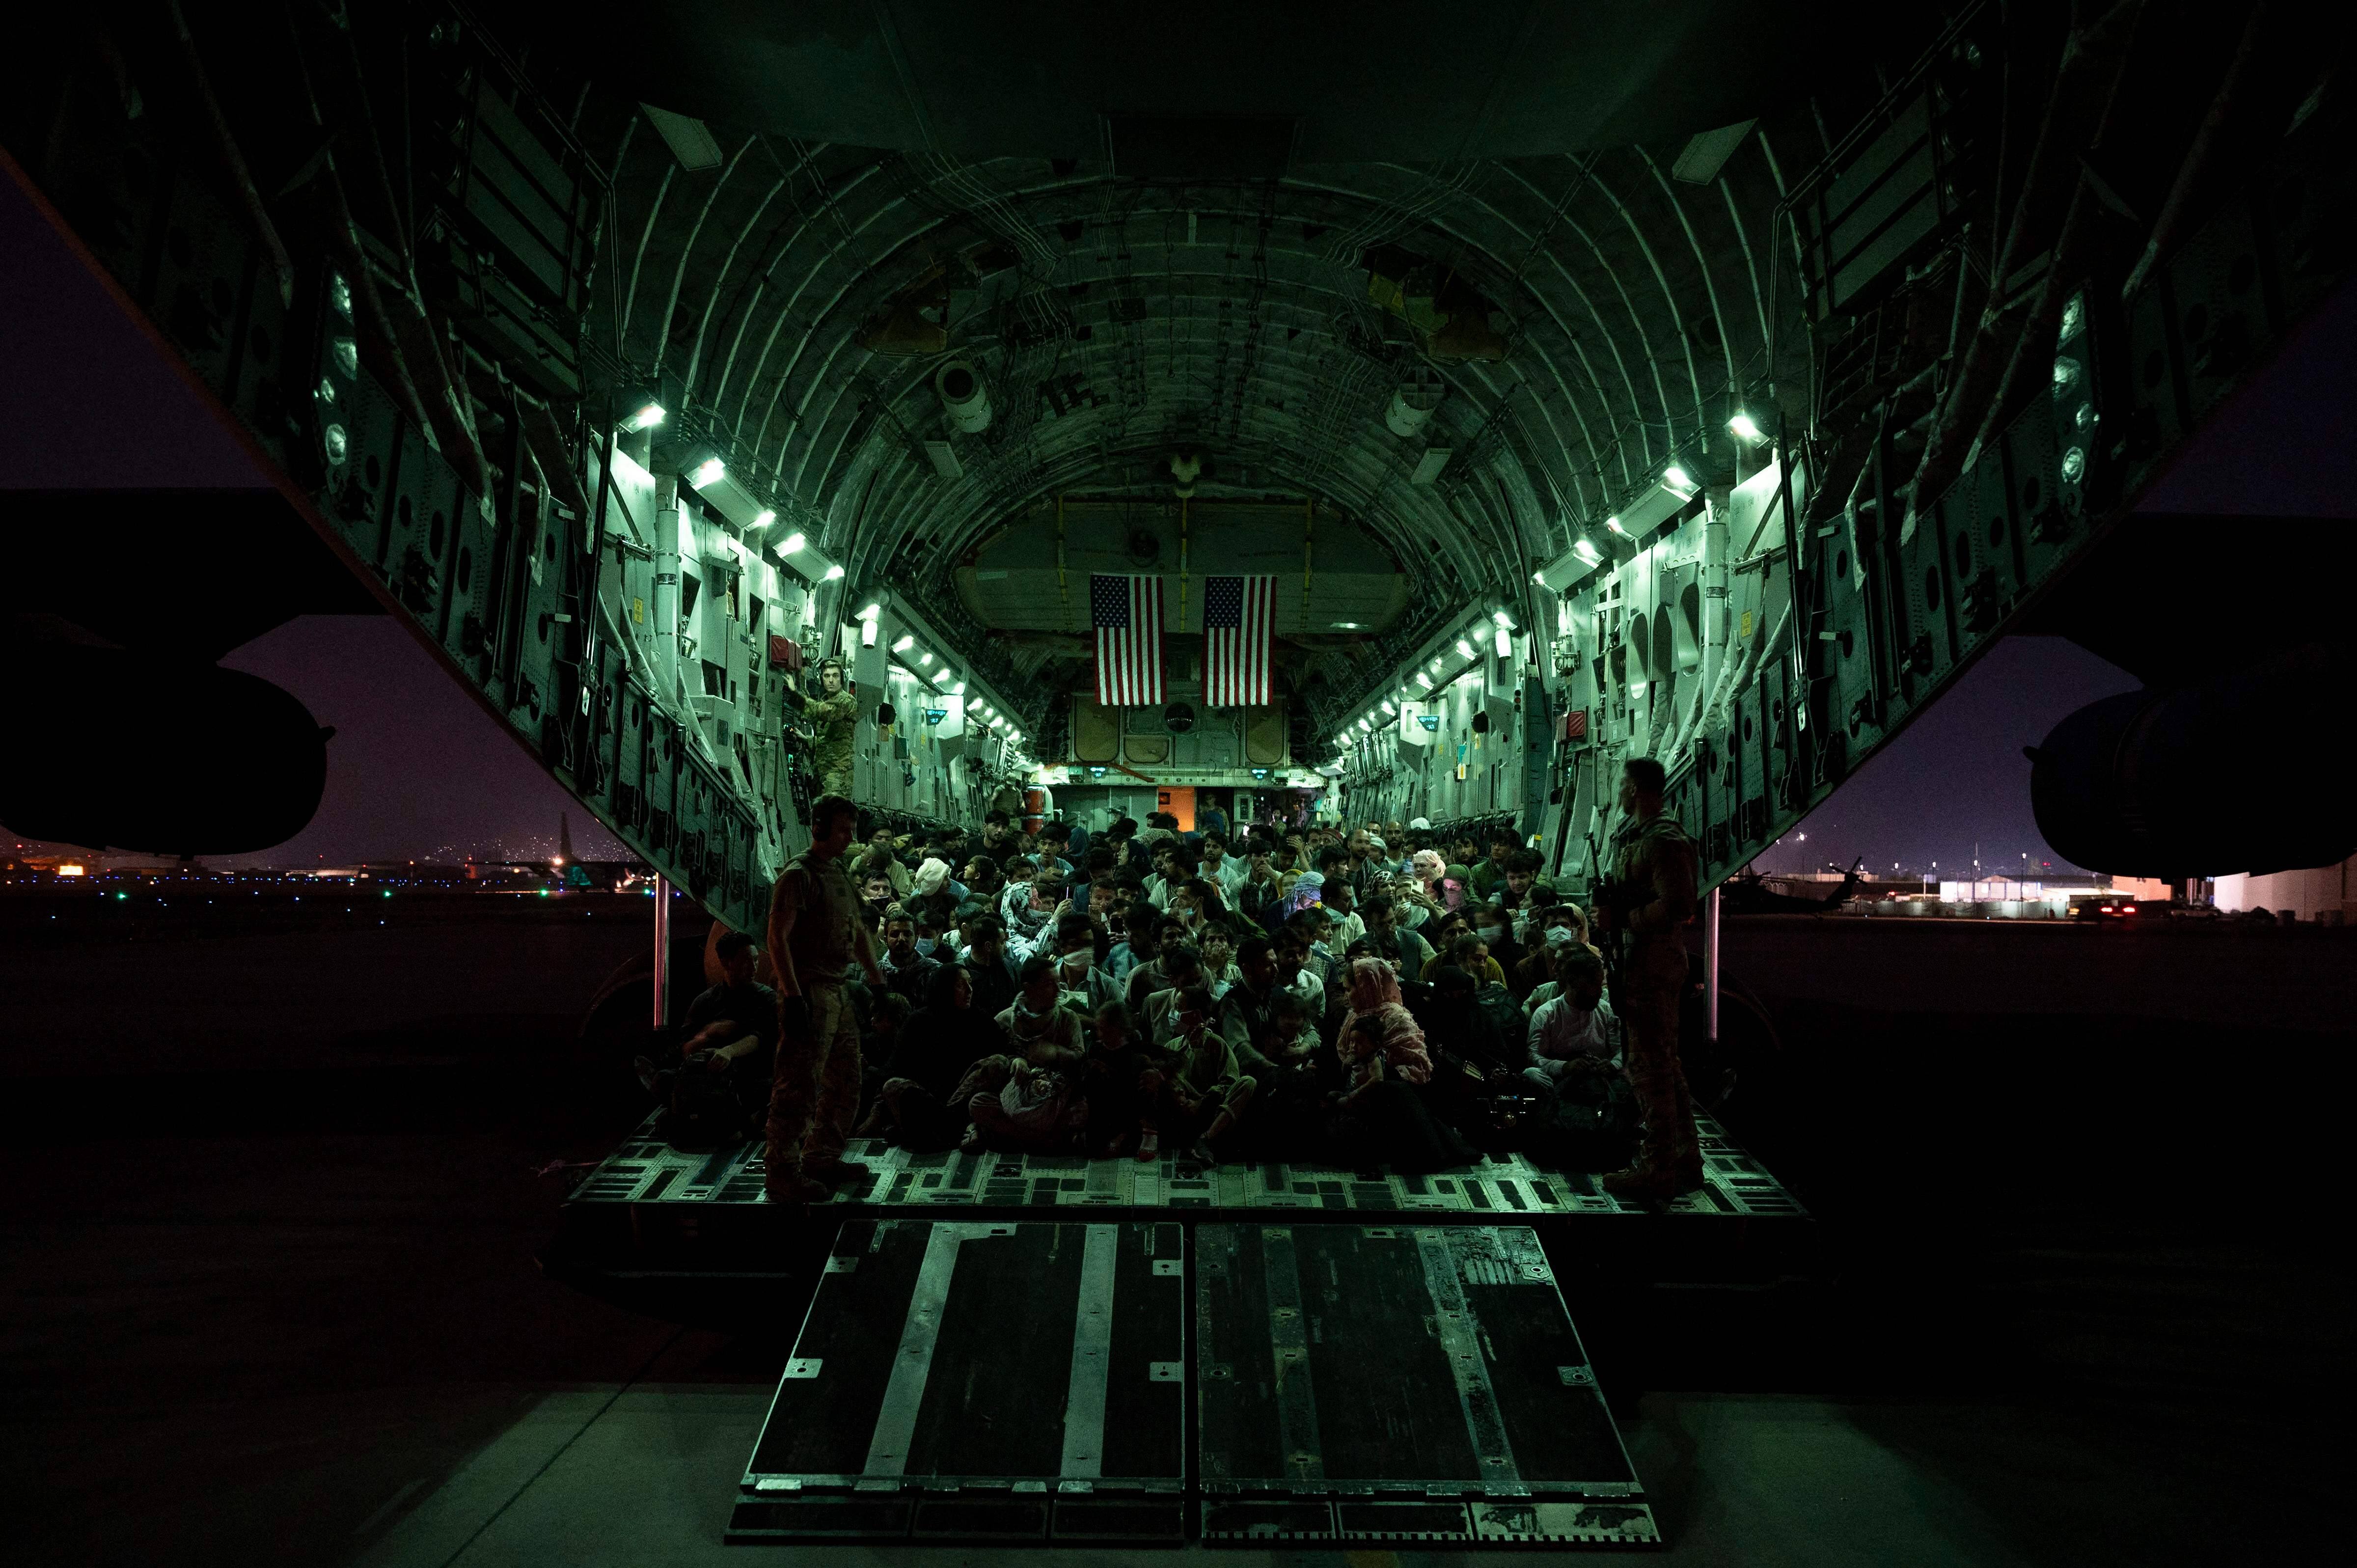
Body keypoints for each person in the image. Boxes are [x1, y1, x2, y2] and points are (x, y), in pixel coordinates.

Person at [763, 794, 889, 1204]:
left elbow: (858, 932)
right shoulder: (798, 876)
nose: (849, 837)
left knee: (846, 1079)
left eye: (852, 830)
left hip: (837, 989)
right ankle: (782, 1171)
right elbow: (777, 938)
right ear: (819, 828)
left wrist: (878, 984)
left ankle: (821, 1155)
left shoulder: (837, 874)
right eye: (842, 830)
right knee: (798, 1084)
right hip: (811, 990)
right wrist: (792, 996)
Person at [1595, 756, 1702, 1199]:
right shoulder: (1641, 837)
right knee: (1664, 1064)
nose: (1619, 792)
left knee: (1648, 1068)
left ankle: (1657, 1167)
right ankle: (1684, 1158)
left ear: (1635, 788)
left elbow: (1679, 905)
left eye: (1622, 784)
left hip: (1654, 965)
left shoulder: (1662, 840)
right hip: (1640, 962)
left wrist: (1626, 918)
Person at [868, 962, 1002, 1151]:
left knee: (998, 1063)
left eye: (970, 983)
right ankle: (949, 1131)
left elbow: (1000, 1054)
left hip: (964, 1104)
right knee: (893, 1086)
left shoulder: (980, 1020)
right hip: (930, 1101)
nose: (969, 990)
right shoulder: (919, 1022)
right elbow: (895, 1068)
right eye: (960, 985)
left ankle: (944, 1130)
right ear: (944, 989)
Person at [1524, 946, 1617, 1091]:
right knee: (1531, 1074)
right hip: (1561, 1084)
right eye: (1592, 985)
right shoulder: (1546, 1014)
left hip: (1603, 1082)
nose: (1599, 992)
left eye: (1599, 985)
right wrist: (1564, 1067)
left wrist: (1613, 1065)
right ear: (1573, 983)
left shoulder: (1605, 1010)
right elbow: (1534, 1057)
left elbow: (1621, 1050)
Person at [806, 660, 858, 798]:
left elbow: (828, 713)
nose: (831, 680)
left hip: (838, 773)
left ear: (842, 679)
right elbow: (826, 739)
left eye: (835, 676)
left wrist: (797, 695)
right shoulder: (824, 701)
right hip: (823, 772)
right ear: (821, 679)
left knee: (834, 810)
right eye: (827, 676)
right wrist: (806, 739)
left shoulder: (847, 701)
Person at [1359, 893, 1435, 979]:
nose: (1389, 928)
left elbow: (1436, 965)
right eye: (1381, 925)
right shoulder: (1361, 945)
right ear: (1369, 925)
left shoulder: (1415, 940)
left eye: (1391, 921)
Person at [874, 909, 939, 1005]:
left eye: (907, 934)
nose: (901, 939)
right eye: (895, 934)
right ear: (886, 940)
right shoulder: (875, 973)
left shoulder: (933, 972)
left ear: (916, 939)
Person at [1468, 830, 1518, 902]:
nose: (1496, 848)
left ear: (1513, 850)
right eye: (1494, 844)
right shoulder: (1478, 871)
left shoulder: (1520, 870)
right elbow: (1473, 899)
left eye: (1501, 845)